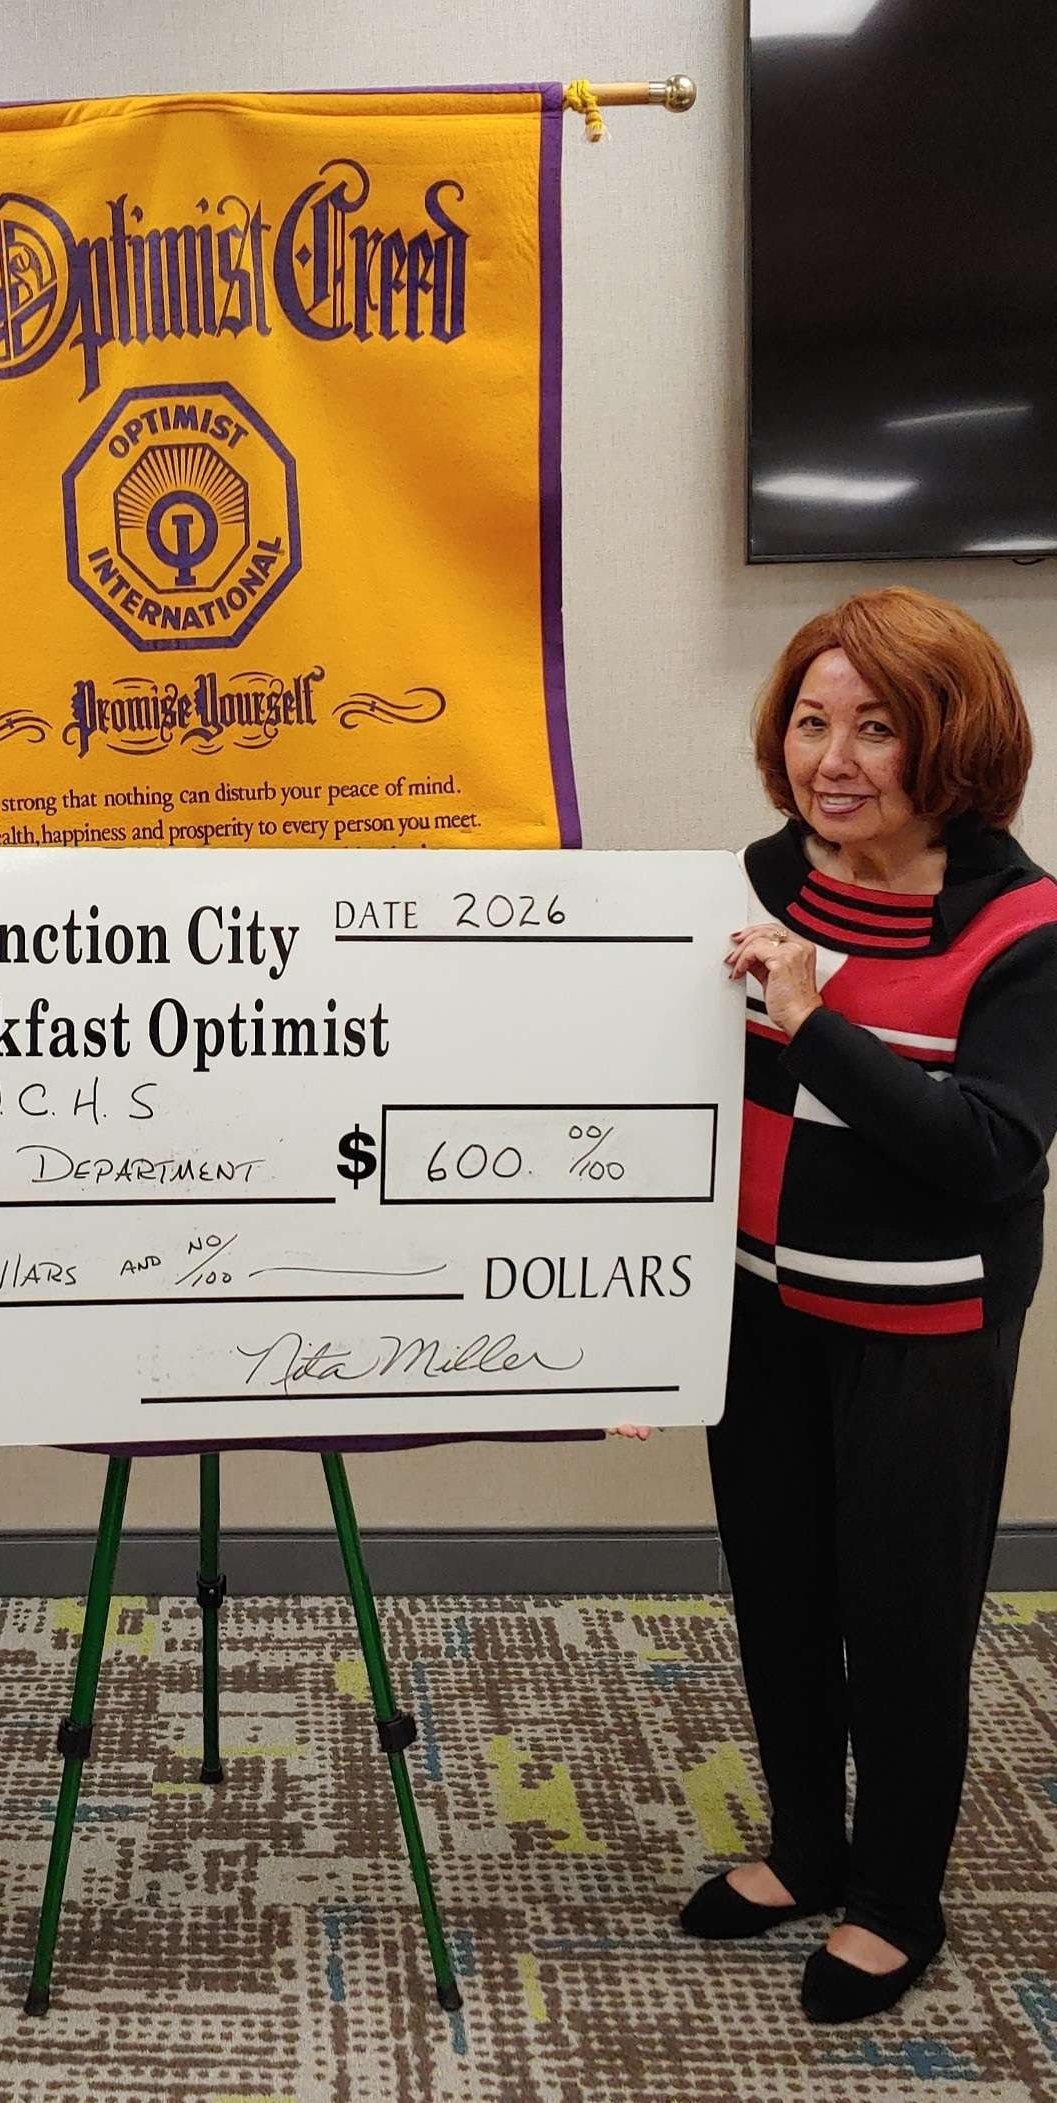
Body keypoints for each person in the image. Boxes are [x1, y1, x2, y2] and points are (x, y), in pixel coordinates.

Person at [679, 586, 1057, 2023]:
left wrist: (815, 1021)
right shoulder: (758, 882)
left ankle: (897, 1901)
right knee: (779, 1591)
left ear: (953, 742)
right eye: (809, 723)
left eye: (876, 729)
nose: (830, 761)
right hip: (758, 1312)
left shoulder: (1024, 927)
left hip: (925, 1335)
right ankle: (806, 1850)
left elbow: (989, 1151)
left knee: (902, 1621)